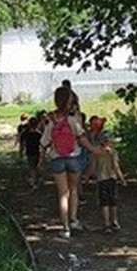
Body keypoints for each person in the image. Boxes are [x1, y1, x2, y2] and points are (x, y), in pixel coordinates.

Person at [39, 85, 103, 237]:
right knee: (73, 190)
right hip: (73, 158)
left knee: (63, 194)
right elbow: (82, 138)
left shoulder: (50, 120)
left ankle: (65, 228)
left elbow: (44, 143)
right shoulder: (72, 119)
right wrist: (95, 150)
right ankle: (74, 219)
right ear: (69, 101)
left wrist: (41, 160)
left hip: (57, 159)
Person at [87, 115, 127, 232]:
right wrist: (122, 179)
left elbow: (92, 167)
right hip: (112, 179)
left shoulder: (96, 153)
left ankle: (107, 224)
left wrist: (87, 178)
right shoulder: (113, 152)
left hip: (101, 179)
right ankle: (115, 221)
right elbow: (116, 167)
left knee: (104, 203)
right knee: (113, 202)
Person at [21, 113, 43, 189]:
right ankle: (37, 179)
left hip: (29, 152)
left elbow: (23, 143)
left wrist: (21, 151)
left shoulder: (25, 133)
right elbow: (42, 144)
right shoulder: (39, 134)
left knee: (32, 167)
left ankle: (33, 182)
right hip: (37, 152)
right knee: (37, 166)